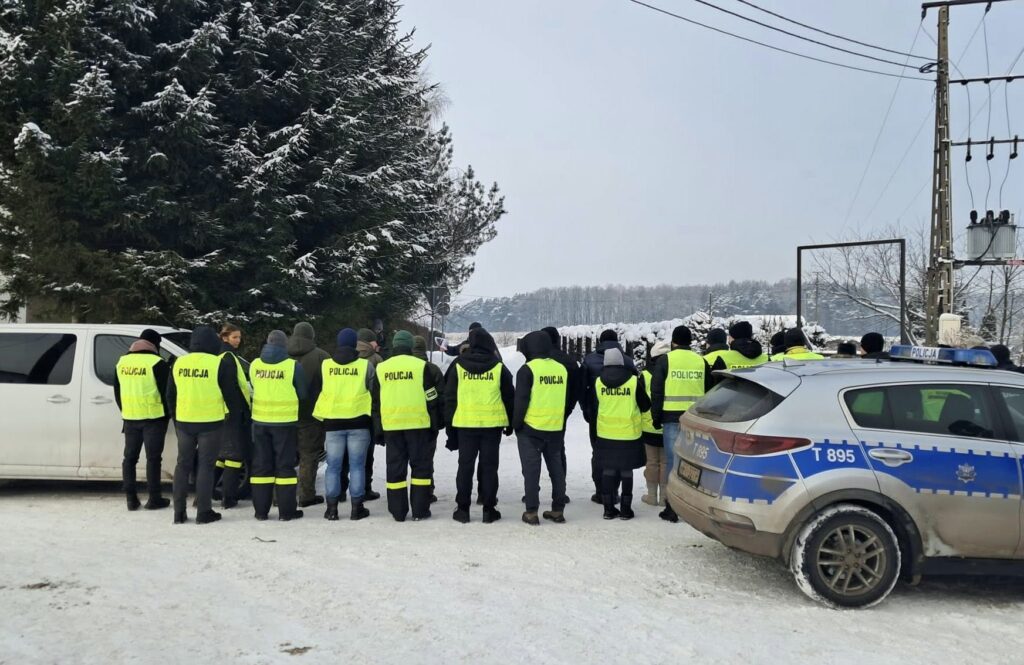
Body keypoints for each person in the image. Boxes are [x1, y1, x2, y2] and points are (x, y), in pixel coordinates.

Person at [167, 326, 246, 524]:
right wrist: (233, 417)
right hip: (211, 423)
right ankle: (204, 512)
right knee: (206, 466)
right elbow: (231, 395)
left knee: (182, 465)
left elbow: (170, 394)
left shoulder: (178, 362)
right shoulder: (218, 363)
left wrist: (176, 417)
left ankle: (179, 512)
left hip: (184, 422)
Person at [371, 330, 443, 522]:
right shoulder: (421, 367)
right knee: (420, 468)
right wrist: (436, 422)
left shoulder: (382, 368)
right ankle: (420, 510)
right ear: (410, 346)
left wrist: (378, 429)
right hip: (419, 425)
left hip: (392, 426)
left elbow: (375, 402)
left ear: (394, 345)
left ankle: (398, 511)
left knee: (395, 468)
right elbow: (432, 396)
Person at [445, 328, 514, 524]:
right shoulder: (498, 367)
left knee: (465, 466)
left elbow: (450, 398)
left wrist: (449, 427)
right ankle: (489, 509)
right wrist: (510, 423)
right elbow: (509, 396)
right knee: (490, 467)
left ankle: (462, 509)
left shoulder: (458, 365)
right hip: (492, 426)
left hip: (465, 424)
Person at [311, 328, 375, 521]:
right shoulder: (365, 366)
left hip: (332, 423)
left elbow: (319, 389)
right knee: (357, 466)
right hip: (359, 423)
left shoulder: (326, 366)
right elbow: (373, 391)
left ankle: (331, 509)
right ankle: (357, 508)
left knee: (333, 466)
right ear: (355, 343)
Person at [649, 325, 711, 523]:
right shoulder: (701, 362)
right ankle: (693, 504)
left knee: (672, 462)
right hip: (696, 419)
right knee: (694, 463)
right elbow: (710, 391)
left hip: (671, 417)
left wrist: (656, 417)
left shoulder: (666, 360)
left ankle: (671, 507)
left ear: (673, 342)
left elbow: (657, 391)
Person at [515, 331, 573, 525]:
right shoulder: (561, 369)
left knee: (532, 470)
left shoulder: (528, 369)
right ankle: (558, 509)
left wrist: (516, 425)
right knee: (556, 469)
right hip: (555, 427)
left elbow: (521, 400)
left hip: (531, 428)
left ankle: (531, 512)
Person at [249, 330, 307, 521]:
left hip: (259, 422)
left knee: (261, 467)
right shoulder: (293, 367)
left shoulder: (255, 365)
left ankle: (260, 511)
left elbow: (254, 388)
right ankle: (286, 511)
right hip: (285, 423)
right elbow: (302, 394)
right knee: (285, 467)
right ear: (284, 345)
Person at [113, 328, 171, 511]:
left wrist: (126, 410)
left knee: (129, 458)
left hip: (130, 417)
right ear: (155, 344)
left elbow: (117, 391)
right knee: (153, 459)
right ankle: (154, 499)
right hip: (154, 418)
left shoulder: (122, 362)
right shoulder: (156, 362)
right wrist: (167, 415)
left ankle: (131, 498)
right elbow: (166, 393)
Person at [593, 348, 650, 520]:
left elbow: (596, 404)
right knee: (626, 471)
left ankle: (608, 509)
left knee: (608, 470)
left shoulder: (598, 382)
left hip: (606, 432)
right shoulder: (633, 381)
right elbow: (645, 405)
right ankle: (625, 509)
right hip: (629, 433)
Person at [580, 329, 635, 504]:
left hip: (598, 415)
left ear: (599, 341)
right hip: (624, 417)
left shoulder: (589, 360)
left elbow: (582, 389)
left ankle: (601, 491)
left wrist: (586, 410)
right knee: (620, 454)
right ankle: (615, 491)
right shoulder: (627, 361)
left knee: (599, 453)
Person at [288, 322, 330, 508]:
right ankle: (306, 495)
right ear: (311, 335)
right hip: (312, 415)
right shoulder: (321, 356)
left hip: (284, 414)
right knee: (309, 456)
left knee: (284, 457)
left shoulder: (281, 355)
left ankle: (279, 495)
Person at [215, 325, 252, 509]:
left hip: (225, 412)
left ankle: (203, 495)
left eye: (239, 337)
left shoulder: (225, 356)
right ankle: (228, 498)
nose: (238, 340)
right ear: (225, 338)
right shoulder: (228, 358)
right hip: (233, 413)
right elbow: (231, 389)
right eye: (234, 337)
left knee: (222, 456)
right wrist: (239, 412)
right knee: (235, 457)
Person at [542, 326, 580, 504]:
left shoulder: (538, 360)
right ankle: (560, 492)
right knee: (557, 452)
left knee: (533, 454)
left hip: (538, 413)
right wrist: (567, 409)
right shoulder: (570, 361)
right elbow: (576, 390)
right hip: (561, 413)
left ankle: (532, 491)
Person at [352, 328, 384, 502]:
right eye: (375, 341)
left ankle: (341, 489)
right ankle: (365, 488)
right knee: (366, 453)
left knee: (344, 457)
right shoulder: (376, 359)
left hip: (347, 411)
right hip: (368, 412)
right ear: (369, 343)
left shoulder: (348, 356)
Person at [413, 335, 446, 503]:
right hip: (427, 424)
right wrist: (440, 422)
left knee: (402, 460)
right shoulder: (432, 369)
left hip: (400, 422)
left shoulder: (403, 369)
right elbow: (442, 397)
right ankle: (426, 491)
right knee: (425, 460)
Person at [640, 341, 670, 507]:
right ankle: (665, 497)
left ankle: (652, 495)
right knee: (665, 462)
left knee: (651, 461)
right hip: (668, 423)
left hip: (649, 424)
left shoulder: (644, 375)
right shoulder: (671, 372)